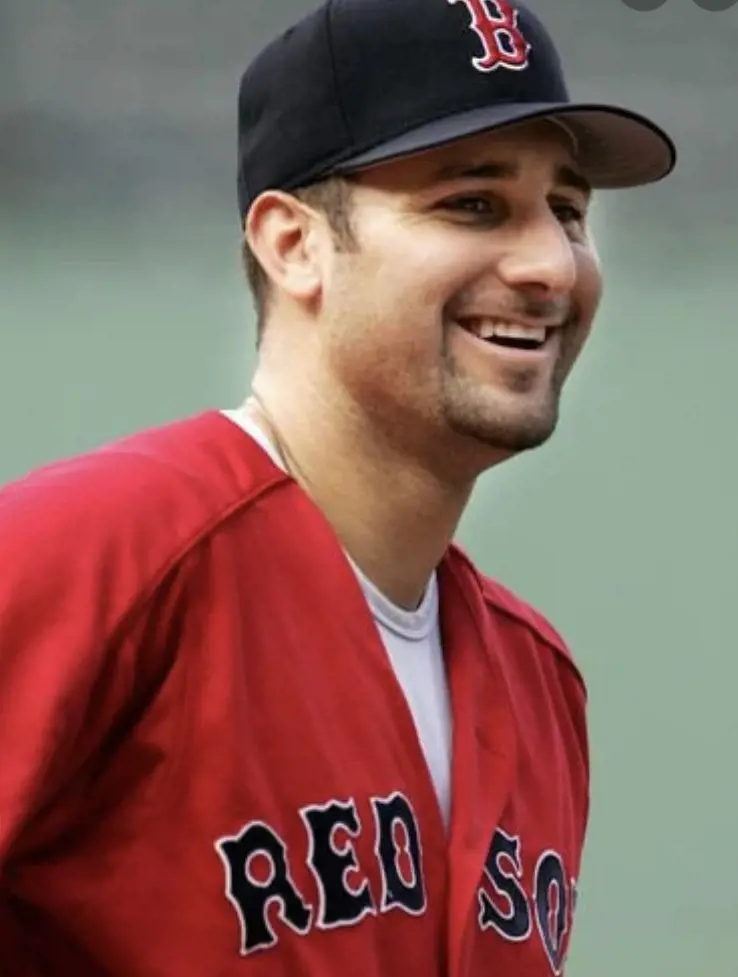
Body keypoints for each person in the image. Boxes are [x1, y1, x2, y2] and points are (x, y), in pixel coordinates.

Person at [0, 0, 676, 974]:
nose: (548, 264)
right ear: (293, 244)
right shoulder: (91, 556)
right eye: (473, 203)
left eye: (568, 211)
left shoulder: (538, 682)